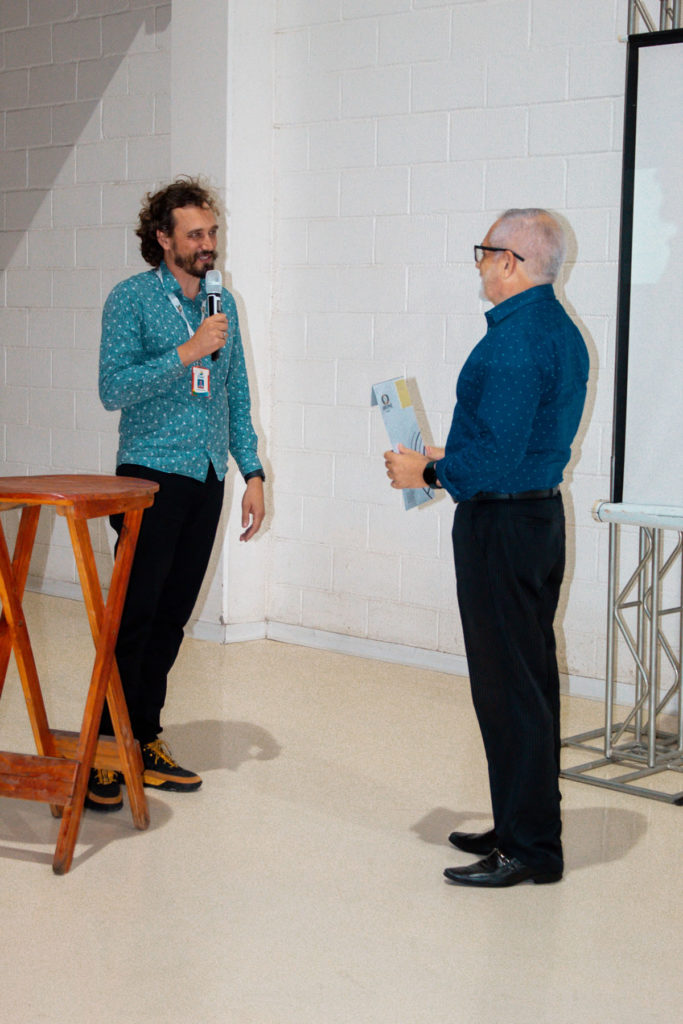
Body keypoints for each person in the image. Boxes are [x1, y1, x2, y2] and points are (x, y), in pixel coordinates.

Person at [384, 209, 589, 887]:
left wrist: (427, 472)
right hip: (531, 518)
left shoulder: (515, 342)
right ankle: (520, 824)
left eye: (484, 251)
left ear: (510, 261)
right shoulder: (555, 329)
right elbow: (518, 441)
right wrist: (450, 455)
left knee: (509, 690)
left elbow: (496, 459)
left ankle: (530, 849)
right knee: (524, 683)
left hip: (501, 527)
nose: (477, 263)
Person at [87, 176, 265, 811]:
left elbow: (234, 390)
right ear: (163, 238)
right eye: (195, 234)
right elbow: (112, 388)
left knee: (171, 617)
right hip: (150, 475)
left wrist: (253, 472)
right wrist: (186, 352)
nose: (208, 244)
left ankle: (144, 736)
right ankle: (103, 747)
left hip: (208, 475)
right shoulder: (131, 299)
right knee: (133, 615)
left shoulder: (223, 304)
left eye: (212, 232)